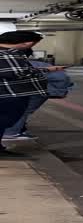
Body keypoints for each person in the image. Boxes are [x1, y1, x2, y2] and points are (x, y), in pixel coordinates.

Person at [0, 31, 58, 159]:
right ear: (28, 43)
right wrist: (42, 72)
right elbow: (16, 72)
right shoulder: (6, 54)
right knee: (4, 120)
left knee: (5, 121)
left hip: (9, 94)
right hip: (7, 95)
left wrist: (46, 69)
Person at [2, 49, 73, 142]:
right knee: (21, 110)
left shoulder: (15, 64)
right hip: (33, 90)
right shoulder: (28, 64)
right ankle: (11, 132)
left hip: (36, 89)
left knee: (19, 110)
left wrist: (58, 92)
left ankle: (11, 131)